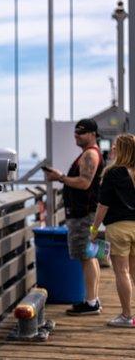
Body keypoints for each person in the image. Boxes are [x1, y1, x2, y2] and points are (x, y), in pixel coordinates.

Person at [44, 118, 104, 315]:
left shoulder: (90, 155)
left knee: (85, 256)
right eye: (75, 132)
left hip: (83, 214)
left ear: (93, 134)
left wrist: (60, 177)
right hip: (84, 213)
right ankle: (92, 299)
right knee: (89, 255)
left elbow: (85, 183)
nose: (77, 135)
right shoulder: (88, 154)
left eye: (82, 132)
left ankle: (91, 302)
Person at [90, 134, 135, 327]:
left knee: (122, 272)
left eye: (116, 147)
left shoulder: (112, 173)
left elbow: (103, 206)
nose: (113, 149)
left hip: (118, 228)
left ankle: (126, 316)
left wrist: (93, 229)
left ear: (123, 150)